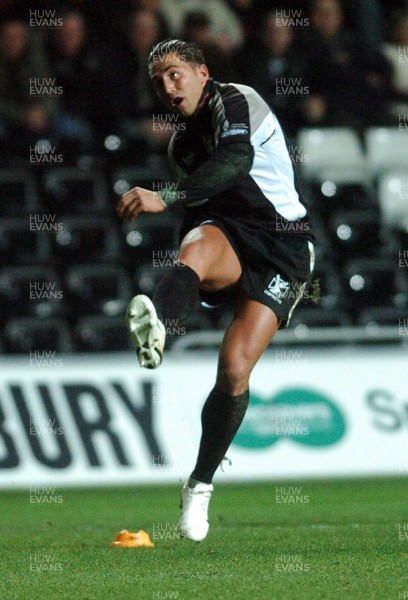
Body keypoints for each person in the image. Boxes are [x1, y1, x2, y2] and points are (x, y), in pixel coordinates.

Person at [117, 39, 315, 542]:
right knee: (196, 249)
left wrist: (163, 195)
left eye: (176, 73)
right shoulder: (180, 148)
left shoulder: (237, 99)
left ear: (202, 71)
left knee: (233, 368)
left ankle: (200, 484)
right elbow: (198, 212)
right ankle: (158, 325)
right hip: (227, 236)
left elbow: (234, 159)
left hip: (283, 247)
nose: (168, 86)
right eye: (159, 80)